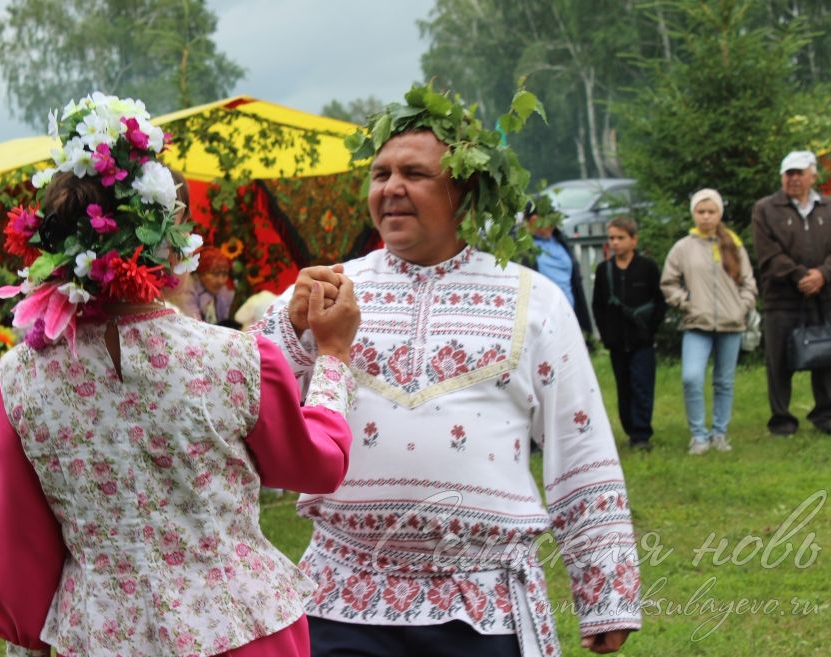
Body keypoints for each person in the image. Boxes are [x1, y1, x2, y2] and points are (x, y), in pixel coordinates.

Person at [254, 87, 641, 656]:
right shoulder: (329, 289)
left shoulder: (534, 301)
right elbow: (241, 404)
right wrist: (287, 324)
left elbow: (578, 443)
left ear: (464, 192)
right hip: (339, 598)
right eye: (380, 174)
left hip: (482, 608)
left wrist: (604, 589)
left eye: (414, 173)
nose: (391, 188)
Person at [0, 92, 362, 657]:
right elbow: (316, 464)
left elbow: (19, 551)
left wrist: (30, 637)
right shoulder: (234, 358)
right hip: (242, 633)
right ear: (172, 232)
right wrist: (332, 356)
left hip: (100, 639)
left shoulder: (16, 381)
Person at [751, 150, 831, 436]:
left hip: (824, 295)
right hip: (781, 298)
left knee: (826, 356)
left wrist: (823, 274)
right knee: (778, 360)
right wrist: (799, 275)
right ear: (782, 176)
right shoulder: (765, 209)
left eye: (799, 173)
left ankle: (827, 415)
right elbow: (767, 252)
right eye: (788, 173)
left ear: (813, 175)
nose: (793, 178)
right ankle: (781, 419)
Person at [661, 189, 757, 454]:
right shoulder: (683, 247)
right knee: (691, 377)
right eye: (700, 212)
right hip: (697, 324)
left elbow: (749, 283)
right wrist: (685, 302)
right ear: (694, 214)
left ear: (719, 214)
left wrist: (742, 307)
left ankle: (719, 433)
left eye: (711, 211)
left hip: (731, 324)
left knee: (724, 381)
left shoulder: (734, 245)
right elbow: (668, 282)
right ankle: (698, 436)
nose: (705, 217)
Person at [591, 217, 667, 451]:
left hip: (641, 341)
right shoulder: (605, 270)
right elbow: (598, 306)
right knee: (623, 386)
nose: (615, 243)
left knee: (642, 385)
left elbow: (659, 301)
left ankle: (641, 433)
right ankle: (628, 427)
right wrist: (606, 334)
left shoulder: (647, 268)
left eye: (620, 238)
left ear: (633, 240)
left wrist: (650, 329)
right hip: (616, 342)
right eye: (612, 238)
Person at [524, 198, 593, 335]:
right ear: (533, 220)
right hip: (541, 320)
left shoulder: (560, 241)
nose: (553, 225)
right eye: (550, 220)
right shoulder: (522, 247)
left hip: (569, 314)